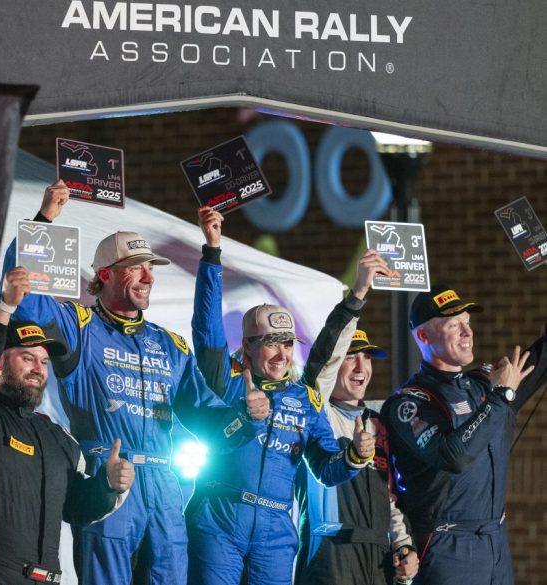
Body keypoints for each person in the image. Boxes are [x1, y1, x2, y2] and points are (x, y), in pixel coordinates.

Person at [2, 182, 272, 585]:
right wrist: (44, 220)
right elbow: (21, 296)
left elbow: (210, 421)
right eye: (136, 267)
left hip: (166, 488)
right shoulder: (80, 326)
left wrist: (247, 416)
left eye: (151, 268)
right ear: (106, 274)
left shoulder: (170, 345)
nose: (148, 276)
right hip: (108, 477)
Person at [187, 207, 389, 585]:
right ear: (248, 346)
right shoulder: (226, 380)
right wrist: (212, 252)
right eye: (271, 343)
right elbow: (206, 326)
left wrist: (355, 456)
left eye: (288, 343)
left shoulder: (307, 400)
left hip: (276, 530)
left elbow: (326, 468)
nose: (282, 354)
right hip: (220, 516)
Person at [0, 267, 135, 585]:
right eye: (27, 358)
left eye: (44, 362)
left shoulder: (61, 439)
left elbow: (76, 508)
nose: (39, 368)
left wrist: (108, 485)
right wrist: (6, 307)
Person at [380, 284, 547, 585]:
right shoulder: (410, 402)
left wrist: (500, 393)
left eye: (467, 322)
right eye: (453, 325)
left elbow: (541, 359)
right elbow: (453, 456)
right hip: (448, 546)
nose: (467, 332)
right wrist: (501, 396)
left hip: (495, 540)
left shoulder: (484, 384)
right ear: (424, 336)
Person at [294, 329, 419, 585]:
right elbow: (317, 380)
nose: (361, 367)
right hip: (330, 554)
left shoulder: (378, 424)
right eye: (350, 357)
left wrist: (404, 546)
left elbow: (389, 498)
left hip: (379, 561)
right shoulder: (316, 415)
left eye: (367, 357)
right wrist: (353, 305)